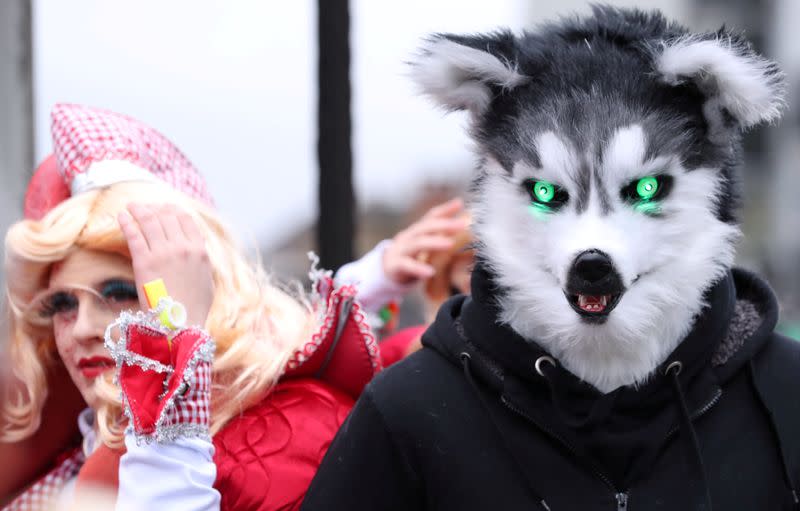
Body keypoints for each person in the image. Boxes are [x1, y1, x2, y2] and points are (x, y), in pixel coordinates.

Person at [0, 103, 381, 510]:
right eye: (63, 303)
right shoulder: (82, 445)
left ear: (201, 290)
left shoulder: (296, 427)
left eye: (120, 293)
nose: (81, 329)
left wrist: (172, 350)